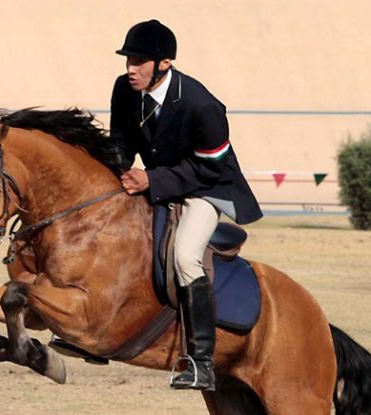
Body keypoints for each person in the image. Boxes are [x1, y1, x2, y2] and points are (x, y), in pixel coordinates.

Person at [110, 20, 263, 390]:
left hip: (208, 188)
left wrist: (152, 180)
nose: (131, 68)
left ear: (164, 63)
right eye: (129, 59)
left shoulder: (202, 105)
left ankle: (201, 361)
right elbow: (120, 142)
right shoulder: (125, 89)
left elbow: (210, 166)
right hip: (161, 180)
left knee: (185, 256)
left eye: (140, 61)